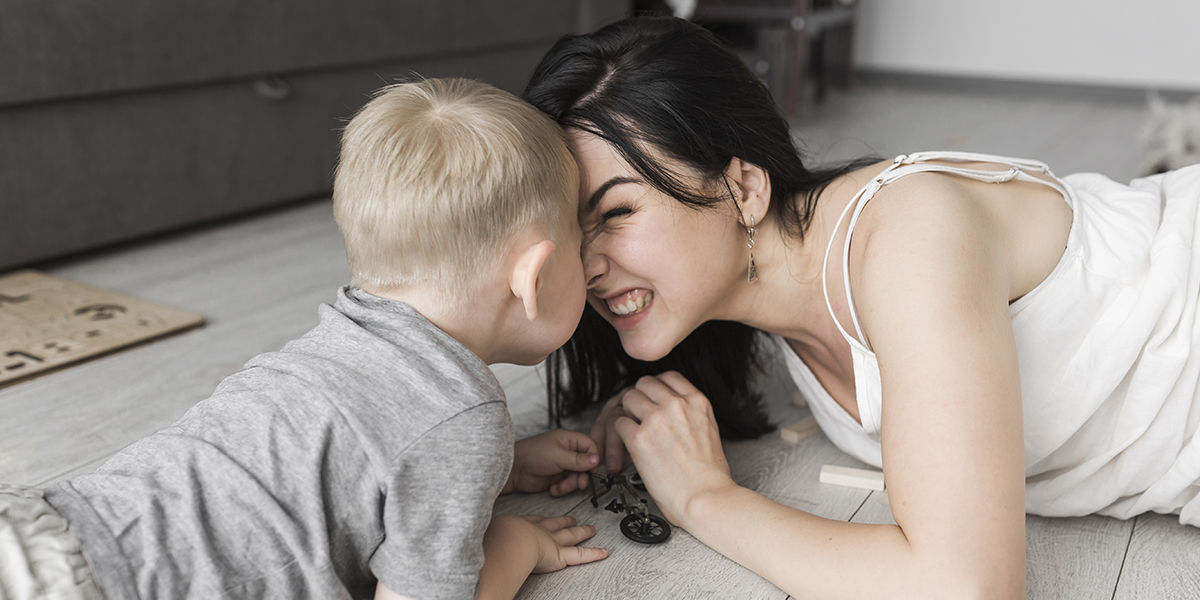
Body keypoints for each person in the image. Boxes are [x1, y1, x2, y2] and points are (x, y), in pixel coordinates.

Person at [524, 16, 1200, 598]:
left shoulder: (909, 235)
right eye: (571, 231)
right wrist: (648, 414)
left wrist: (707, 498)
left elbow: (965, 585)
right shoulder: (767, 307)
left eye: (615, 211)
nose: (586, 266)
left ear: (744, 187)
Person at [0, 78, 607, 600]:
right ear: (535, 277)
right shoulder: (463, 417)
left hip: (47, 525)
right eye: (583, 251)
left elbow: (350, 461)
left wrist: (494, 473)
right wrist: (513, 543)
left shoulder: (339, 336)